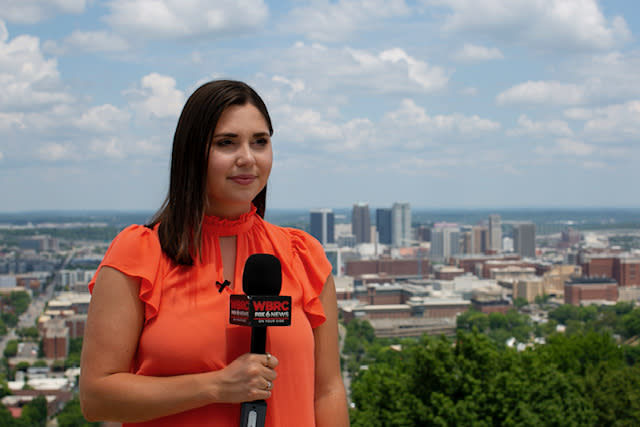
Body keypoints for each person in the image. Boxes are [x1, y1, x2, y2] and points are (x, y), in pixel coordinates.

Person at [79, 80, 350, 426]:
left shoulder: (302, 255)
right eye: (226, 143)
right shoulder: (139, 254)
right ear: (192, 153)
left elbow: (327, 391)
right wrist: (215, 386)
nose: (247, 158)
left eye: (260, 142)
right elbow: (97, 398)